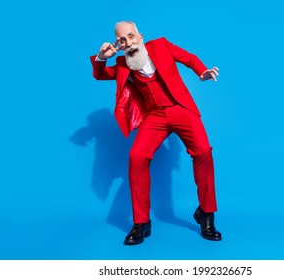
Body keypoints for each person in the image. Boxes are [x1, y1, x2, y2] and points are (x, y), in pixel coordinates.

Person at [90, 21, 222, 245]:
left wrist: (202, 72)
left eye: (131, 37)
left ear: (140, 37)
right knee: (137, 156)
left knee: (203, 151)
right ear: (119, 45)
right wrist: (102, 57)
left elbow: (188, 58)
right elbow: (100, 74)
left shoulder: (160, 46)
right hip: (154, 117)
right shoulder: (123, 64)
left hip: (181, 108)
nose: (128, 43)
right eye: (122, 40)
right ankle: (141, 223)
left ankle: (206, 214)